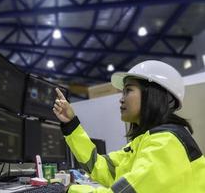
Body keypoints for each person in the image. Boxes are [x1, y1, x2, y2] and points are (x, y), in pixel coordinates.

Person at [53, 60, 205, 193]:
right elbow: (100, 167)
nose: (121, 99)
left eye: (128, 91)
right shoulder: (144, 142)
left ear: (152, 94)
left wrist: (69, 190)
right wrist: (71, 124)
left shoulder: (166, 144)